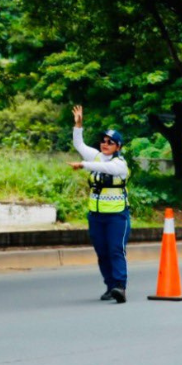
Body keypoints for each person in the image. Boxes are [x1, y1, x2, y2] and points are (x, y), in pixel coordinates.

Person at [69, 105, 131, 303]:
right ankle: (110, 286)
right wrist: (78, 125)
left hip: (117, 215)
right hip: (96, 215)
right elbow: (79, 145)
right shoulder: (96, 156)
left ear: (118, 147)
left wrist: (83, 165)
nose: (105, 144)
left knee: (116, 249)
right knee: (102, 252)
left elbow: (106, 168)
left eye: (110, 142)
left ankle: (120, 287)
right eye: (103, 141)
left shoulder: (120, 164)